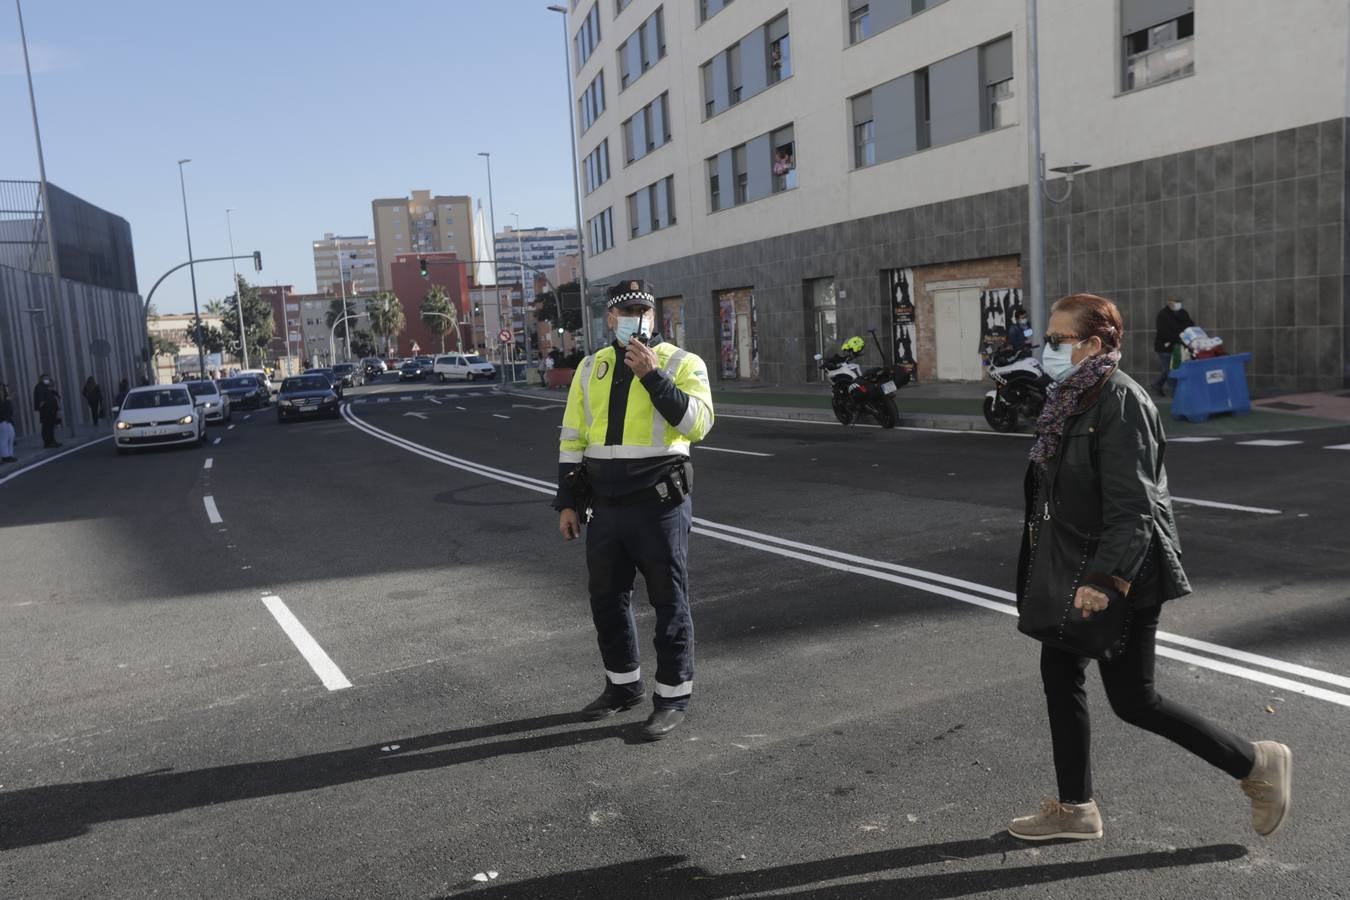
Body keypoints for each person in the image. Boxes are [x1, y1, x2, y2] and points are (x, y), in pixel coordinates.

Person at [1010, 293, 1291, 842]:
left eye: (1055, 339)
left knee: (1135, 699)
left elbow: (1134, 505)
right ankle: (1076, 809)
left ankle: (1256, 764)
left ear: (1092, 344)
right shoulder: (1074, 398)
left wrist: (1105, 579)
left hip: (1123, 573)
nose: (1046, 348)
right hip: (1079, 565)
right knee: (1060, 673)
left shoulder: (1119, 401)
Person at [555, 280, 715, 742]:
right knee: (606, 600)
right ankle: (623, 687)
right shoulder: (591, 367)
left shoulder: (682, 363)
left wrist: (652, 375)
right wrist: (566, 502)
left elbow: (698, 425)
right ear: (610, 318)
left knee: (669, 601)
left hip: (659, 504)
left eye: (643, 310)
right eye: (626, 311)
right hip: (604, 506)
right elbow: (572, 437)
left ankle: (672, 698)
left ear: (654, 316)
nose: (635, 317)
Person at [1152, 296, 1194, 396]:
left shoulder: (1183, 313)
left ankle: (1157, 384)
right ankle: (1174, 390)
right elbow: (1164, 332)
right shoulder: (1163, 315)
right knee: (1169, 369)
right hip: (1165, 347)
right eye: (1176, 301)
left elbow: (1190, 325)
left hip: (1179, 346)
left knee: (1172, 369)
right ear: (1169, 302)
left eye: (1179, 301)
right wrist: (1179, 339)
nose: (1178, 303)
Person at [38, 381, 62, 449]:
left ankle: (52, 441)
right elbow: (41, 404)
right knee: (47, 428)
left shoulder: (53, 393)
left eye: (51, 385)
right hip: (46, 413)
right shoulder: (43, 393)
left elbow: (57, 400)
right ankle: (48, 442)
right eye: (49, 386)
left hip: (53, 412)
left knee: (51, 428)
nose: (51, 387)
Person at [0, 381, 16, 463]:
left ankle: (9, 454)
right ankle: (5, 456)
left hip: (7, 419)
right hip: (2, 420)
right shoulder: (4, 399)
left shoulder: (5, 397)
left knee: (11, 436)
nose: (2, 390)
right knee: (4, 438)